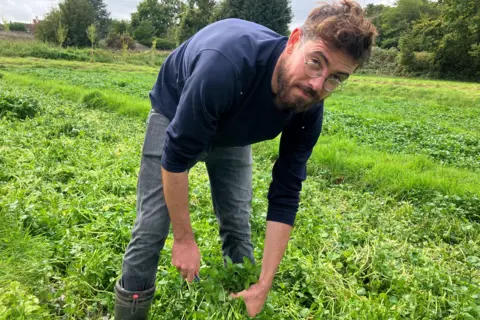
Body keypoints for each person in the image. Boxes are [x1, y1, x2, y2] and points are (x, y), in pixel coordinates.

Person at [114, 0, 377, 318]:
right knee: (151, 229)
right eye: (315, 62)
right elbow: (176, 155)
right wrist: (184, 240)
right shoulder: (225, 65)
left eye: (336, 78)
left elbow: (287, 189)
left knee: (237, 223)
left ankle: (239, 298)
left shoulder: (308, 107)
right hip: (176, 110)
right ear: (294, 42)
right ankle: (130, 311)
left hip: (233, 131)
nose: (317, 85)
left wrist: (265, 282)